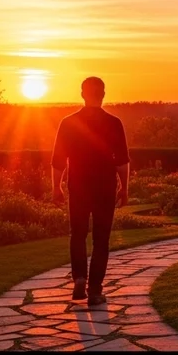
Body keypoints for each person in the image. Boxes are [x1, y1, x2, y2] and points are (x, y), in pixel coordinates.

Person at [51, 77, 130, 305]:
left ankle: (79, 278)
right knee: (101, 239)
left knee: (77, 234)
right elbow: (122, 162)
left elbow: (58, 161)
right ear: (103, 94)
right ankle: (94, 289)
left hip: (78, 187)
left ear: (83, 94)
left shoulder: (68, 123)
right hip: (104, 187)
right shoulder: (114, 123)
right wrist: (124, 189)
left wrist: (56, 187)